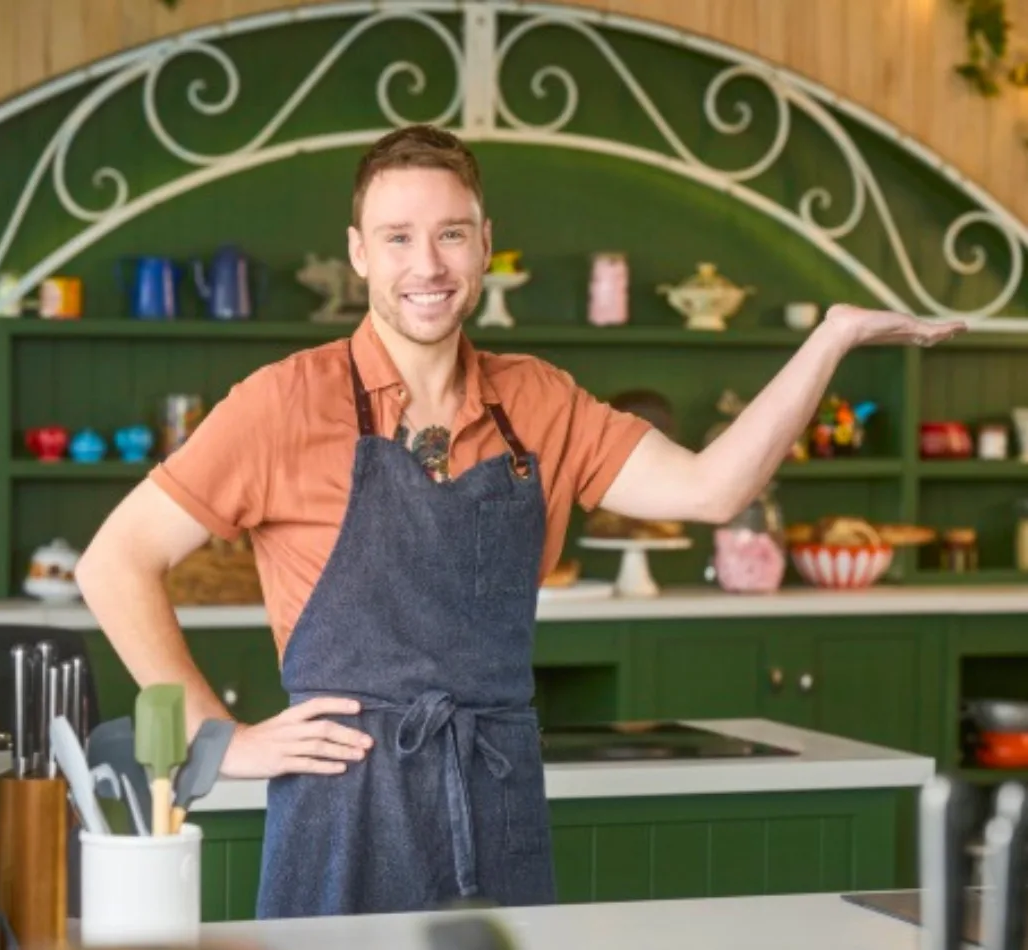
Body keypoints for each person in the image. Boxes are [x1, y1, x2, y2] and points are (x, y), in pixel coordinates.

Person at [74, 123, 965, 919]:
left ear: (486, 245)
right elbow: (113, 563)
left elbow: (711, 491)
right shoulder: (282, 402)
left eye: (451, 234)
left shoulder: (538, 400)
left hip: (497, 792)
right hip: (343, 805)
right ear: (359, 253)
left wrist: (832, 338)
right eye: (398, 238)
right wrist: (217, 738)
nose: (427, 265)